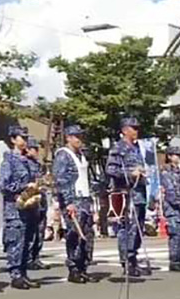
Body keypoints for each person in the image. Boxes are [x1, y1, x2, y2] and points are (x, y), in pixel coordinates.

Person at [53, 125, 97, 284]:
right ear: (68, 138)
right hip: (73, 200)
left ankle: (83, 267)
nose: (79, 139)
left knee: (87, 234)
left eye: (80, 136)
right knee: (75, 235)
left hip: (85, 199)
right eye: (76, 136)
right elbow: (61, 180)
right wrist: (68, 202)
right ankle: (73, 268)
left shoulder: (82, 155)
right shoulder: (63, 155)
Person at [105, 116, 149, 277]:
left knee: (137, 228)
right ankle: (127, 261)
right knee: (126, 228)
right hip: (126, 195)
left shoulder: (137, 148)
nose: (137, 131)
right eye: (133, 128)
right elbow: (111, 170)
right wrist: (131, 174)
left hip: (139, 194)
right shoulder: (118, 148)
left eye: (137, 128)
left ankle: (133, 258)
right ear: (125, 130)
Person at [0, 125, 40, 290]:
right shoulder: (9, 160)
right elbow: (3, 184)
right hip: (15, 208)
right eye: (21, 138)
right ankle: (15, 274)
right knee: (16, 241)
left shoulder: (28, 161)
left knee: (26, 241)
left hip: (29, 206)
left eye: (25, 137)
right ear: (13, 140)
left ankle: (23, 273)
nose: (25, 141)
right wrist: (23, 186)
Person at [25, 136, 50, 271]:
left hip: (41, 200)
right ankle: (28, 258)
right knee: (30, 231)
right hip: (31, 200)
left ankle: (36, 256)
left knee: (40, 231)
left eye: (36, 149)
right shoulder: (25, 163)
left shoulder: (39, 165)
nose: (36, 151)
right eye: (33, 148)